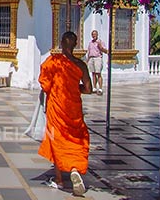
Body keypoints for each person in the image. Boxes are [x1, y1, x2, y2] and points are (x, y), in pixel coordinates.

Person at [39, 31, 93, 196]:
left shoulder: (54, 61)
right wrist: (75, 87)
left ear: (62, 43)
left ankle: (59, 180)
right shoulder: (81, 65)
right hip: (74, 108)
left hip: (57, 107)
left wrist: (57, 86)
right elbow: (88, 89)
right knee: (76, 138)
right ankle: (75, 169)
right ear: (75, 44)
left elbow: (45, 84)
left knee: (57, 140)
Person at [86, 30, 108, 95]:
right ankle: (94, 87)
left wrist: (100, 47)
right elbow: (89, 52)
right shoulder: (90, 43)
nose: (94, 36)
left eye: (95, 34)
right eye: (93, 34)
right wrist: (87, 60)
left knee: (98, 73)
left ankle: (100, 88)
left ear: (97, 35)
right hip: (91, 58)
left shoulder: (100, 42)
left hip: (97, 58)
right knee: (93, 73)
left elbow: (105, 51)